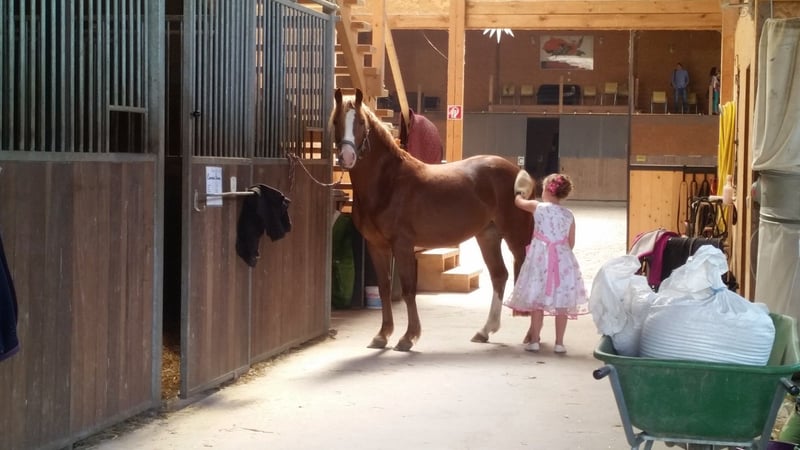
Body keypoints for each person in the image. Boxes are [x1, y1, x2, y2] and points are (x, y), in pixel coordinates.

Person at [504, 172, 589, 354]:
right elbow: (571, 242)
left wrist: (520, 192)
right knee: (562, 304)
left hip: (540, 260)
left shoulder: (539, 207)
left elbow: (519, 203)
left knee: (537, 302)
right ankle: (559, 343)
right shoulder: (569, 215)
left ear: (548, 191)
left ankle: (534, 341)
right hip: (562, 261)